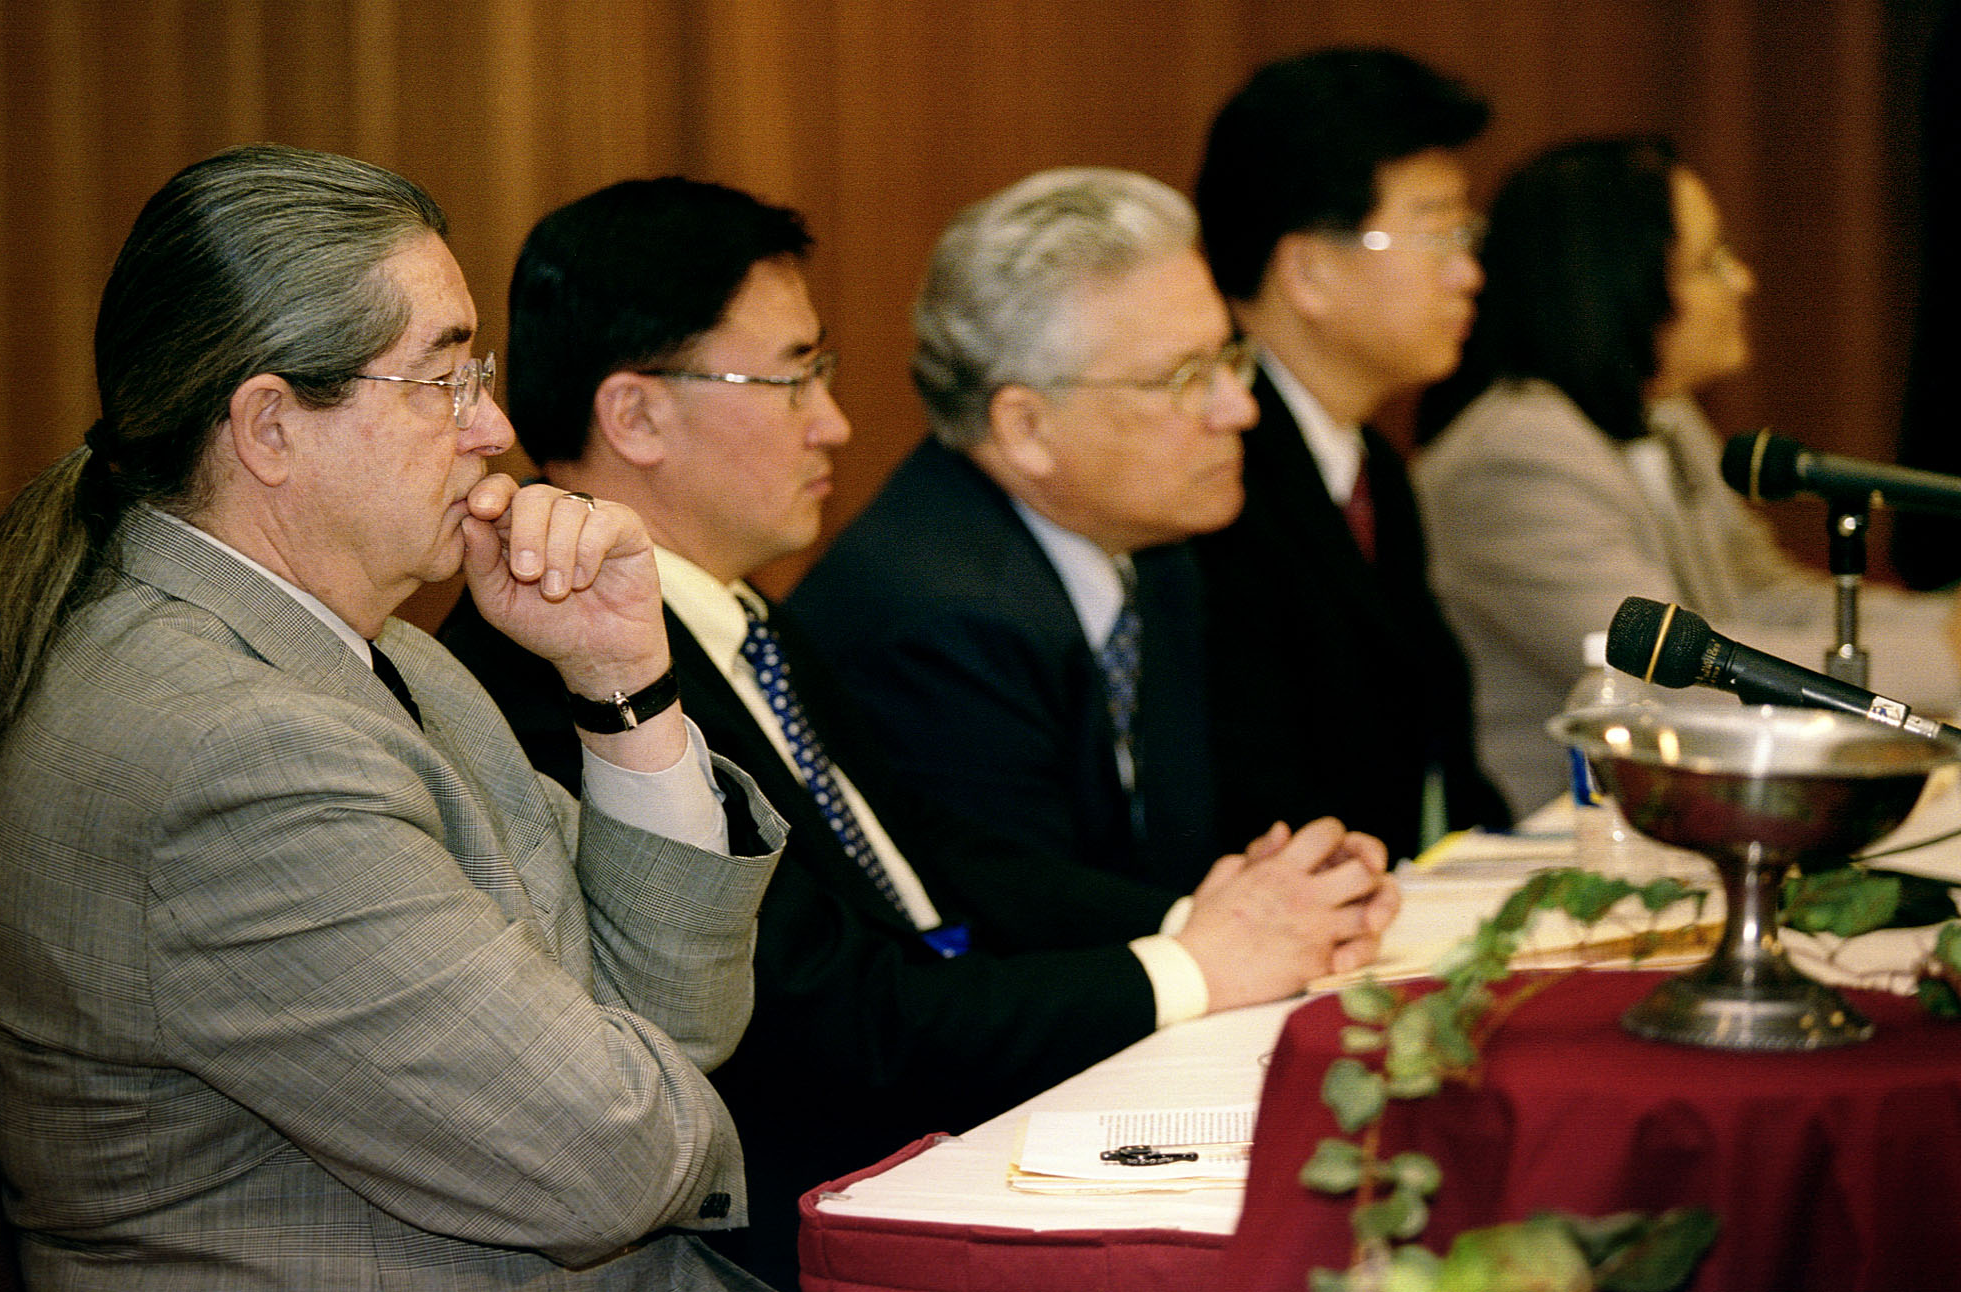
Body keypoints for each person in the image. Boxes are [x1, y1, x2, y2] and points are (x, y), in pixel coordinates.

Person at [438, 174, 1400, 1288]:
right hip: (786, 1217)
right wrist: (1188, 964)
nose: (834, 421)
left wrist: (1214, 917)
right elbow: (828, 1017)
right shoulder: (562, 666)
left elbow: (932, 859)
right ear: (636, 413)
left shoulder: (737, 615)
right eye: (793, 377)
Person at [0, 145, 790, 1291]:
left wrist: (622, 685)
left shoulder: (392, 655)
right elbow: (611, 1166)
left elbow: (678, 1016)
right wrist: (658, 1094)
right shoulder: (227, 754)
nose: (492, 428)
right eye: (442, 380)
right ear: (270, 428)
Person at [1415, 135, 1961, 815]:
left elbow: (1762, 596)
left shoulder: (1662, 412)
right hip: (1572, 837)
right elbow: (1681, 675)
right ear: (1619, 281)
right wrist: (1948, 661)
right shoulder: (1516, 456)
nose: (1743, 282)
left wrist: (1941, 626)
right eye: (1712, 261)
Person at [789, 167, 1248, 892]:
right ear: (1025, 427)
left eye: (1228, 361)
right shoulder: (936, 624)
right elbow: (1027, 926)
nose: (1236, 411)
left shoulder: (1151, 551)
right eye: (1185, 379)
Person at [1190, 48, 1511, 865]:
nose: (1469, 273)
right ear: (1307, 271)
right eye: (1436, 232)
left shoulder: (1373, 467)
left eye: (1467, 233)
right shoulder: (1207, 476)